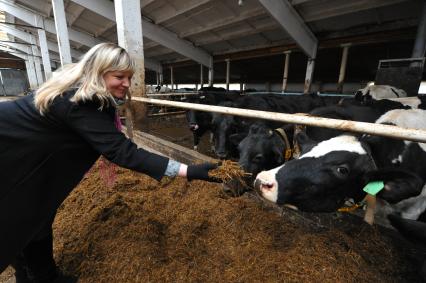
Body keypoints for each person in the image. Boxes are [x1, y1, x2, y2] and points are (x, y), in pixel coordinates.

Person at [0, 43, 219, 283]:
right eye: (119, 76)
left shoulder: (76, 89)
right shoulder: (80, 103)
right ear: (98, 72)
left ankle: (44, 276)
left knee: (37, 217)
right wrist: (189, 170)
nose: (127, 83)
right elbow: (123, 152)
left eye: (129, 77)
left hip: (24, 158)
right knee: (17, 219)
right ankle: (32, 276)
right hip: (11, 161)